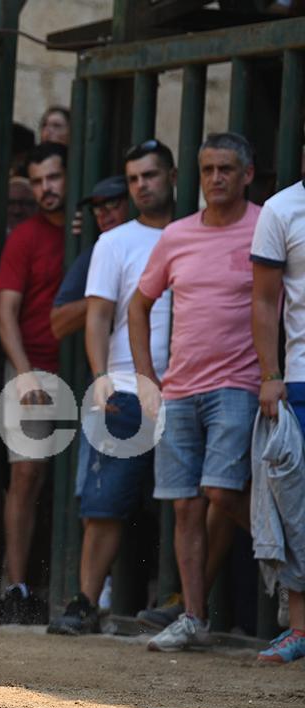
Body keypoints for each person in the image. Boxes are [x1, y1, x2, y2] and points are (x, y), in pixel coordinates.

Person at [129, 132, 262, 652]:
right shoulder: (178, 235)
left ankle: (289, 567)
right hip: (180, 388)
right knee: (184, 506)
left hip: (240, 383)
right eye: (207, 170)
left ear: (247, 174)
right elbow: (138, 306)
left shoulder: (264, 225)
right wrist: (146, 377)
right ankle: (193, 618)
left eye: (226, 169)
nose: (216, 179)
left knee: (222, 492)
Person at [48, 141, 177, 635]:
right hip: (124, 386)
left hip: (187, 384)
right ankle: (86, 602)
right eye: (135, 177)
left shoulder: (190, 234)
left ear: (170, 175)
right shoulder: (116, 241)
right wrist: (101, 378)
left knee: (187, 501)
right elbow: (97, 315)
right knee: (102, 503)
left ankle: (182, 598)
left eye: (151, 175)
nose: (143, 184)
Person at [0, 141, 68, 623]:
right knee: (26, 476)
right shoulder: (24, 237)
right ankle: (17, 586)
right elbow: (6, 313)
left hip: (84, 370)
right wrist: (24, 374)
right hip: (32, 367)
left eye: (54, 178)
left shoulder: (93, 231)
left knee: (80, 483)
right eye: (37, 181)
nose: (46, 189)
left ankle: (79, 591)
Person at [247, 172, 305, 664]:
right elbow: (265, 300)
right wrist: (271, 372)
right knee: (295, 505)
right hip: (301, 378)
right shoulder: (282, 209)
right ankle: (301, 627)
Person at [49, 175, 129, 340]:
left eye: (112, 203)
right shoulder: (98, 251)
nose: (104, 214)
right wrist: (105, 297)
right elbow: (58, 323)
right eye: (97, 208)